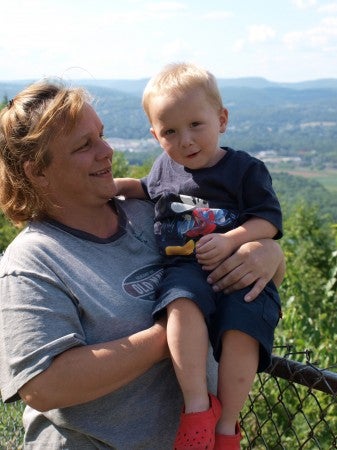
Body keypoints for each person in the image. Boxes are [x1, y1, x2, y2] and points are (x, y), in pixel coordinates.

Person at [0, 80, 285, 450]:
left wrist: (268, 254)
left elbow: (245, 277)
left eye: (101, 135)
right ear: (38, 171)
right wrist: (174, 329)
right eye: (85, 145)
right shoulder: (33, 261)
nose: (107, 150)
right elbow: (43, 385)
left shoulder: (152, 213)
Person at [115, 62, 283, 450]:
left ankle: (226, 427)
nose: (185, 140)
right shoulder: (164, 168)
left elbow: (268, 220)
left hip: (239, 270)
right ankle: (197, 407)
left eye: (195, 125)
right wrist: (114, 187)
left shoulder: (244, 169)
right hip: (185, 269)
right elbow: (144, 188)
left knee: (243, 334)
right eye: (170, 131)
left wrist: (232, 240)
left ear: (221, 120)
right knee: (179, 310)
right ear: (156, 136)